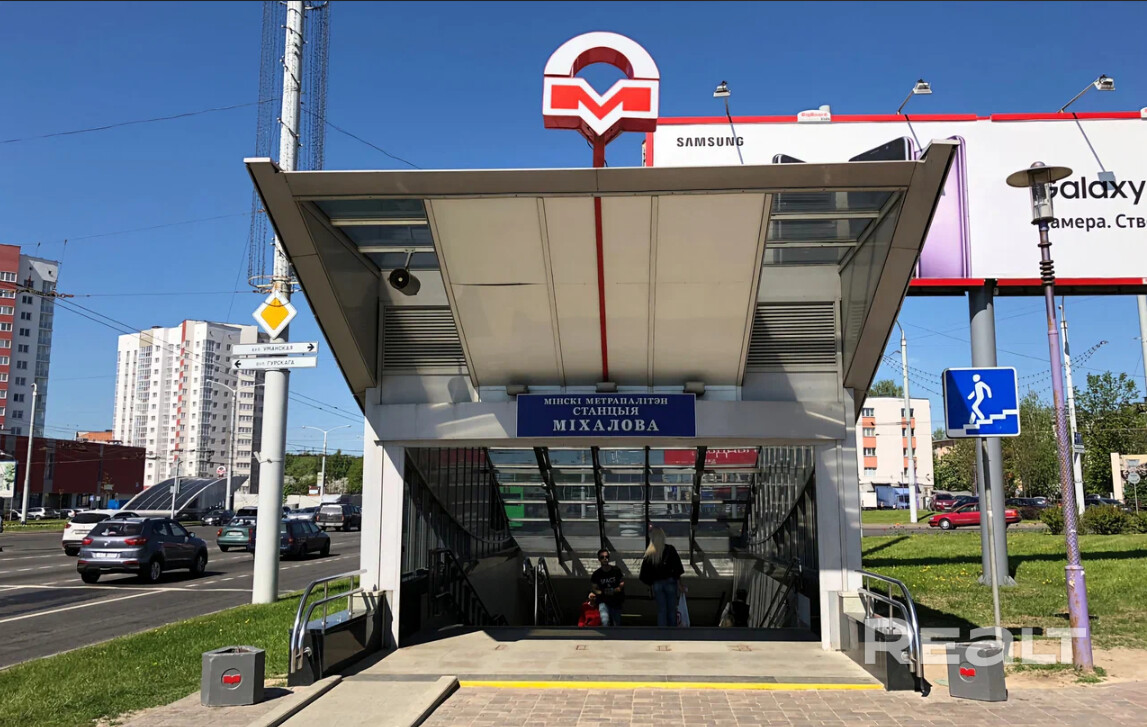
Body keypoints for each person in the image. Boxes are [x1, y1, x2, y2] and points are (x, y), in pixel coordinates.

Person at [639, 527, 685, 627]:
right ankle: (672, 632)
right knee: (672, 610)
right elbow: (677, 568)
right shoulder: (670, 549)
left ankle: (662, 632)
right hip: (670, 583)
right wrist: (679, 584)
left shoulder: (650, 553)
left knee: (661, 610)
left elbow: (644, 574)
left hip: (657, 584)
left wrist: (650, 584)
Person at [591, 548, 625, 627]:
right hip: (603, 601)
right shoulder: (596, 574)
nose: (605, 559)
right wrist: (602, 592)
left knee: (617, 623)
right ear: (599, 559)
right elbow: (594, 588)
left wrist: (617, 589)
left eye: (607, 557)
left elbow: (622, 582)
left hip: (616, 601)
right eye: (602, 557)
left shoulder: (616, 570)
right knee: (605, 621)